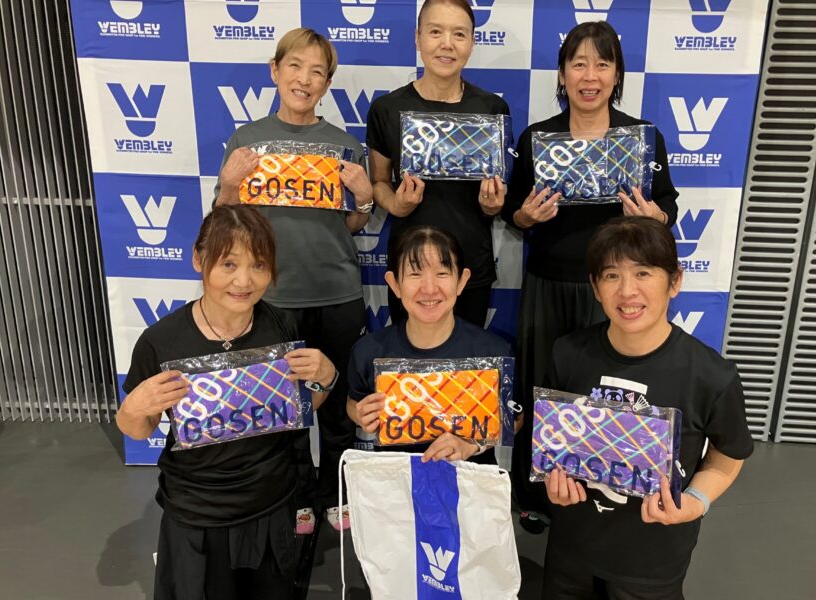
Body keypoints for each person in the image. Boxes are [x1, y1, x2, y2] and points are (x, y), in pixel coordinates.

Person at [502, 20, 680, 528]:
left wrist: (655, 216)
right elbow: (512, 212)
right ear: (562, 74)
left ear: (616, 74)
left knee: (606, 392)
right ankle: (537, 496)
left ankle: (606, 488)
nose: (590, 75)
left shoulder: (642, 138)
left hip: (617, 288)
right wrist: (524, 217)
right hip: (548, 282)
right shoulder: (538, 138)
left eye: (602, 64)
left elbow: (667, 207)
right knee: (543, 391)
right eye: (578, 63)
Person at [116, 205, 338, 600]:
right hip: (198, 513)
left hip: (271, 503)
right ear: (198, 260)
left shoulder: (282, 326)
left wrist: (327, 377)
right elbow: (138, 429)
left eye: (258, 265)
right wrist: (133, 409)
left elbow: (298, 410)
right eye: (229, 264)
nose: (244, 280)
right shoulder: (161, 342)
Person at [540, 216, 753, 600]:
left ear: (675, 281)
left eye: (643, 273)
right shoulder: (567, 353)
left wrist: (695, 503)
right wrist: (552, 482)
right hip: (571, 552)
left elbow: (729, 453)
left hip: (652, 562)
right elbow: (553, 442)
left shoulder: (711, 375)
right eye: (611, 276)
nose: (627, 291)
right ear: (596, 287)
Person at [213, 27, 373, 531]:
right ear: (275, 70)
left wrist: (366, 196)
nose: (304, 79)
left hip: (338, 294)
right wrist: (230, 184)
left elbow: (352, 224)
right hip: (275, 298)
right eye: (295, 66)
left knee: (336, 405)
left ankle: (336, 494)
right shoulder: (246, 141)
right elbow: (224, 222)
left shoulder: (343, 145)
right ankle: (298, 495)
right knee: (284, 408)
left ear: (327, 83)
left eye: (317, 72)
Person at [366, 0, 510, 328]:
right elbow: (378, 182)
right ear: (418, 39)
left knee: (469, 355)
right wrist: (396, 204)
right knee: (407, 356)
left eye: (459, 34)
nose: (447, 44)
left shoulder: (491, 109)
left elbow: (497, 190)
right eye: (435, 32)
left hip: (469, 266)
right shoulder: (387, 109)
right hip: (410, 268)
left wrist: (492, 205)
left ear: (472, 42)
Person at [347, 225, 513, 464]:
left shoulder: (492, 351)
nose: (429, 288)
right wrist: (362, 415)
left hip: (470, 481)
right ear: (395, 284)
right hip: (394, 479)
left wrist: (472, 445)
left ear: (461, 281)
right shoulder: (369, 351)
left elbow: (513, 419)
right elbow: (353, 403)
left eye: (442, 273)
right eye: (415, 274)